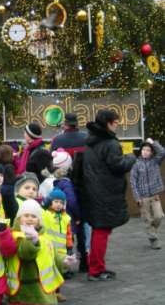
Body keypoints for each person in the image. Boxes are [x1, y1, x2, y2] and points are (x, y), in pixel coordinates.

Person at [4, 200, 74, 305]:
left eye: (33, 216)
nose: (29, 219)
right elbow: (26, 254)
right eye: (26, 216)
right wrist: (32, 240)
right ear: (19, 218)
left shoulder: (45, 237)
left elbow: (52, 255)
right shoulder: (18, 237)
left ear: (39, 220)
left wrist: (64, 261)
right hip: (25, 286)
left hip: (40, 286)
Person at [82, 110, 136, 281]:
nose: (117, 124)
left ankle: (96, 266)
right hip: (105, 192)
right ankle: (96, 269)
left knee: (99, 229)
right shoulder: (110, 143)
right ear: (108, 123)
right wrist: (131, 157)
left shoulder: (91, 141)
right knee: (102, 230)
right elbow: (118, 165)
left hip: (94, 190)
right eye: (115, 122)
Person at [130, 138, 165, 249]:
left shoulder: (155, 161)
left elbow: (162, 152)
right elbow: (133, 181)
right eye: (143, 149)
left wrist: (152, 142)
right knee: (147, 220)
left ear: (151, 152)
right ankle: (153, 240)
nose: (145, 151)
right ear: (141, 151)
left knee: (159, 216)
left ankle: (152, 231)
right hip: (142, 197)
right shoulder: (136, 164)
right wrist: (137, 197)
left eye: (148, 150)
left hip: (154, 195)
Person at [43, 188, 74, 285]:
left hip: (61, 251)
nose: (58, 204)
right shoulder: (46, 214)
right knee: (49, 273)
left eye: (61, 202)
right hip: (49, 250)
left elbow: (69, 234)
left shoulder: (66, 218)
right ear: (50, 202)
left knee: (59, 274)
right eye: (56, 201)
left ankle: (57, 292)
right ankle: (51, 293)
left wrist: (69, 247)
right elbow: (41, 210)